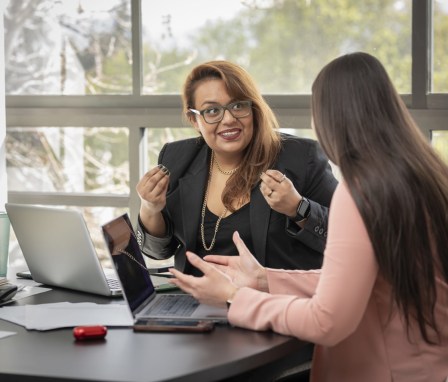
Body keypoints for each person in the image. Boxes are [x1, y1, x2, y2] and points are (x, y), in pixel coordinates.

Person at [168, 52, 448, 382]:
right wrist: (264, 279)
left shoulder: (359, 192)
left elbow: (325, 321)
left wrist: (234, 297)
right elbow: (360, 278)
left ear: (333, 118)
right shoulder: (424, 173)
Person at [135, 60, 338, 275]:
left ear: (253, 108)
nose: (229, 119)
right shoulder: (176, 157)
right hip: (194, 301)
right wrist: (150, 208)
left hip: (270, 302)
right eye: (212, 111)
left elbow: (347, 238)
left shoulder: (301, 156)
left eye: (238, 105)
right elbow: (158, 252)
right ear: (194, 120)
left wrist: (298, 208)